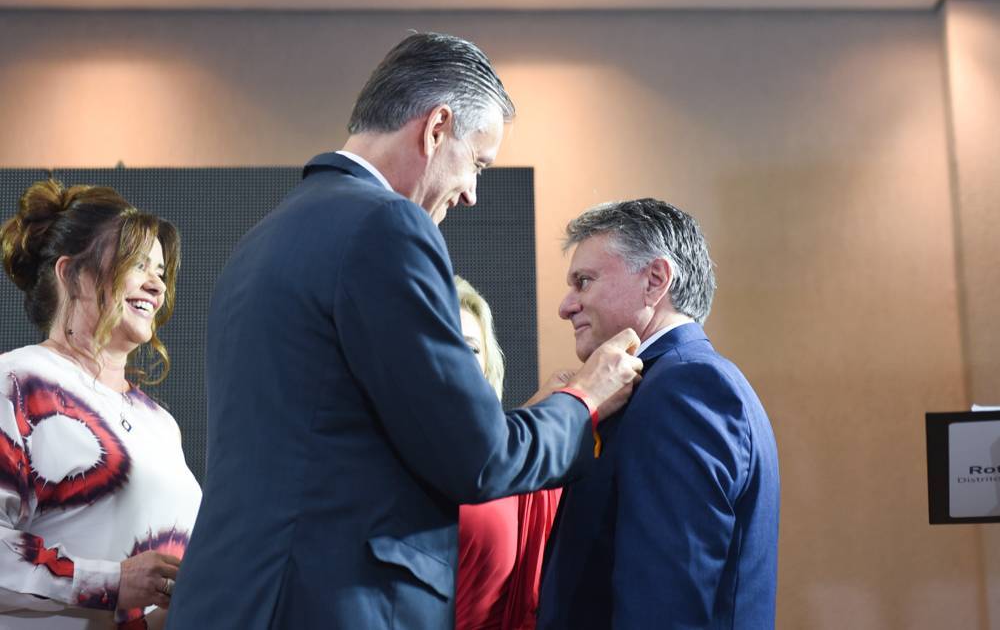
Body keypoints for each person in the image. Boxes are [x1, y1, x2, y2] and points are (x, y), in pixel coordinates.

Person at [167, 32, 641, 629]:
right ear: (437, 127)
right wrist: (584, 398)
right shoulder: (387, 225)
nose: (472, 194)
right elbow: (478, 456)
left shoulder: (263, 238)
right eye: (478, 163)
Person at [537, 199, 780, 629]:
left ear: (655, 280)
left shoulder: (685, 389)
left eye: (584, 281)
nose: (566, 305)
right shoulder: (667, 383)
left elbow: (667, 603)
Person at [0, 179, 202, 630]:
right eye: (138, 264)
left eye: (160, 271)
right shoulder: (17, 382)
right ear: (71, 273)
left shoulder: (160, 423)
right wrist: (109, 582)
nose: (157, 285)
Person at [453, 276, 564, 630]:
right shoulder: (385, 456)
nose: (459, 359)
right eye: (445, 343)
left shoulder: (519, 456)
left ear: (487, 364)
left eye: (471, 348)